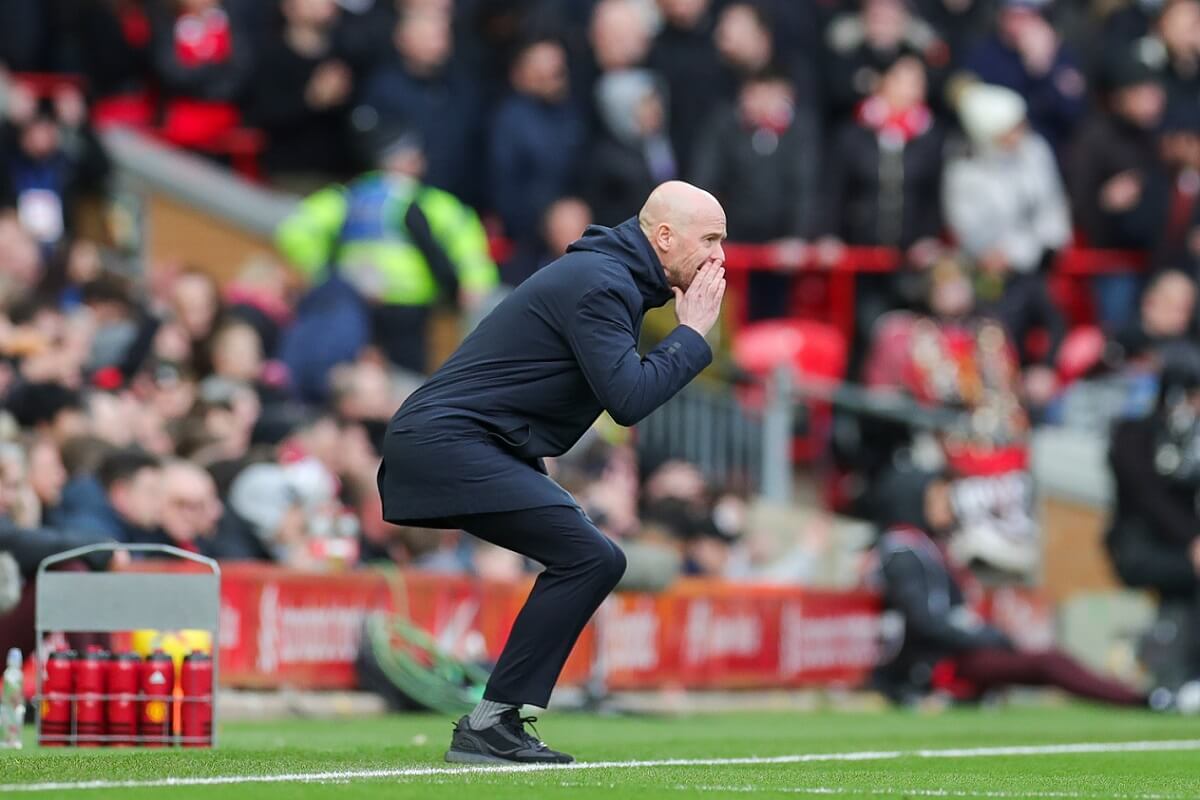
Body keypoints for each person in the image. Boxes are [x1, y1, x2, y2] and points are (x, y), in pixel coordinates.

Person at [378, 181, 726, 764]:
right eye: (711, 239)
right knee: (592, 556)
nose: (720, 257)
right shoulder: (602, 282)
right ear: (664, 238)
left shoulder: (612, 276)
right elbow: (629, 398)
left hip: (468, 441)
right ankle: (491, 726)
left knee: (589, 556)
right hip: (446, 443)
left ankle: (493, 725)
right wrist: (691, 336)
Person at [873, 465, 1155, 708]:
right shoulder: (905, 551)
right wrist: (984, 637)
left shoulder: (923, 547)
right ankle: (1138, 698)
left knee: (1045, 660)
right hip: (938, 663)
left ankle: (1131, 694)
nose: (947, 507)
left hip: (953, 652)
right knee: (1047, 662)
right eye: (937, 499)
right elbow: (925, 622)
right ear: (912, 500)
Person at [277, 125, 499, 376]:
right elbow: (465, 237)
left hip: (358, 299)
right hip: (409, 303)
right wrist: (475, 281)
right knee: (408, 377)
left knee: (357, 373)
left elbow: (296, 229)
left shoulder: (351, 197)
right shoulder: (426, 200)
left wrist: (324, 272)